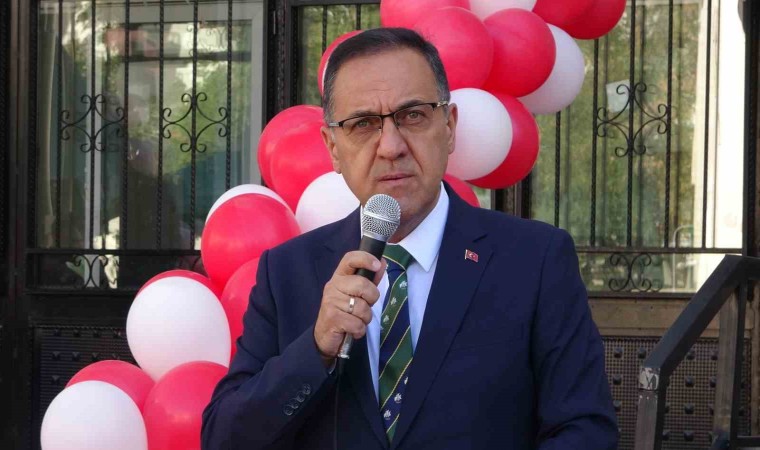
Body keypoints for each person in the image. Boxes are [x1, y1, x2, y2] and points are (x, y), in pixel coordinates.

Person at [201, 28, 617, 450]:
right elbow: (224, 438)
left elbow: (585, 430)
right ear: (333, 148)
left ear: (449, 127)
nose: (391, 146)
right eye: (363, 124)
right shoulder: (286, 272)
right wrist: (315, 349)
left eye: (413, 115)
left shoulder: (535, 260)